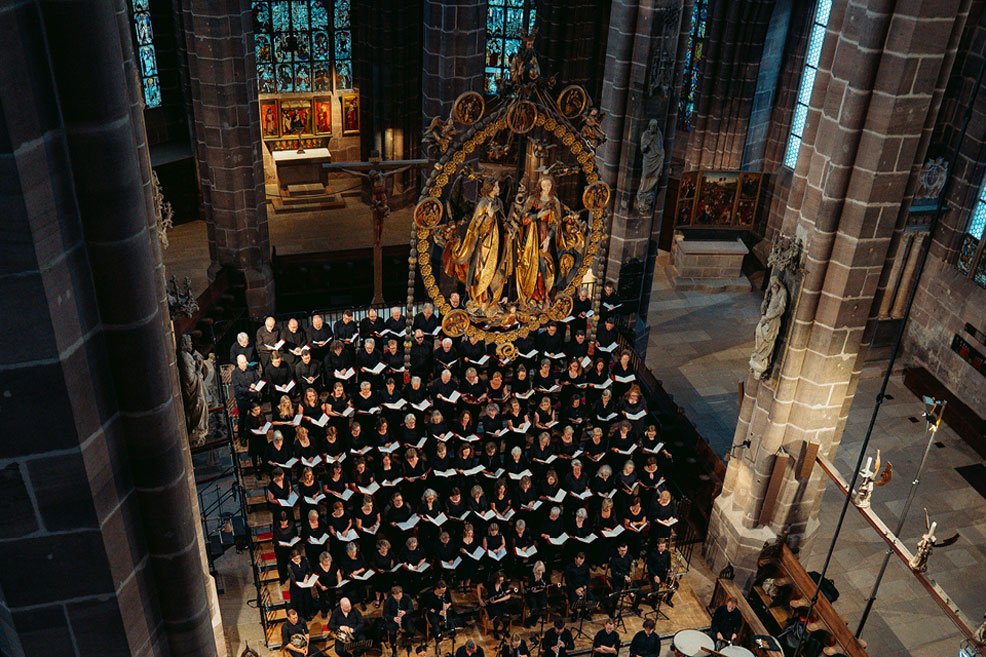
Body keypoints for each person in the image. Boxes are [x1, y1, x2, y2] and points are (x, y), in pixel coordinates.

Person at [383, 585, 415, 657]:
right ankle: (394, 649)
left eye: (400, 596)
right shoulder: (388, 601)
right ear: (393, 595)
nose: (398, 598)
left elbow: (411, 609)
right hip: (394, 620)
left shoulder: (407, 597)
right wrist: (393, 618)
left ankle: (408, 643)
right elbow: (385, 614)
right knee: (392, 633)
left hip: (405, 618)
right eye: (396, 596)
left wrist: (405, 612)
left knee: (411, 631)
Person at [645, 539, 673, 607]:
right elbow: (649, 567)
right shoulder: (652, 554)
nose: (662, 548)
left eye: (664, 546)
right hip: (654, 574)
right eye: (661, 546)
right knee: (655, 588)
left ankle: (668, 599)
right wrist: (655, 575)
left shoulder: (667, 553)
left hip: (663, 573)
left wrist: (670, 572)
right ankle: (654, 602)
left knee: (675, 585)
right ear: (657, 545)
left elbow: (669, 564)